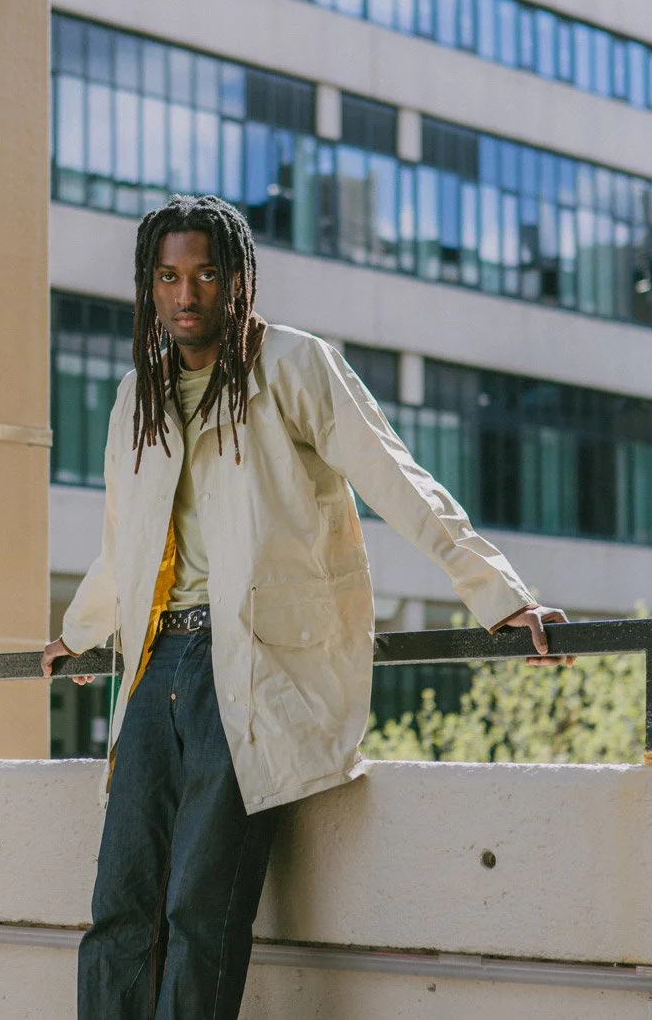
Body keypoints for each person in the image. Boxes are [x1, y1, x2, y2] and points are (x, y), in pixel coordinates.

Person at [41, 194, 569, 1020]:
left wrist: (498, 593)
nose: (187, 293)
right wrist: (79, 632)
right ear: (149, 286)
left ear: (238, 278)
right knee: (119, 908)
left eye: (206, 273)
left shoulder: (292, 364)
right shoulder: (136, 394)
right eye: (169, 276)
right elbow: (125, 540)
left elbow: (398, 478)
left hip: (247, 666)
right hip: (152, 665)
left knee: (200, 911)